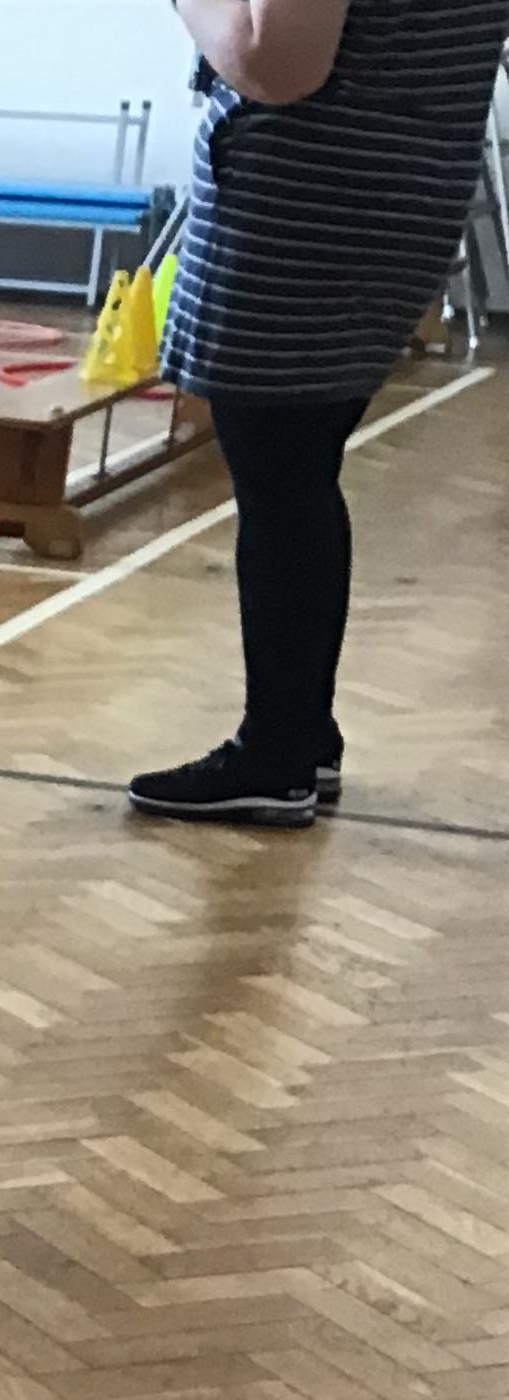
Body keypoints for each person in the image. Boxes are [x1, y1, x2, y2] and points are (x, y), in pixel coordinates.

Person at [130, 0, 509, 826]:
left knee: (281, 482)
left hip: (307, 198)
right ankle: (301, 731)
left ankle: (276, 754)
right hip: (393, 184)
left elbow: (279, 66)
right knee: (299, 474)